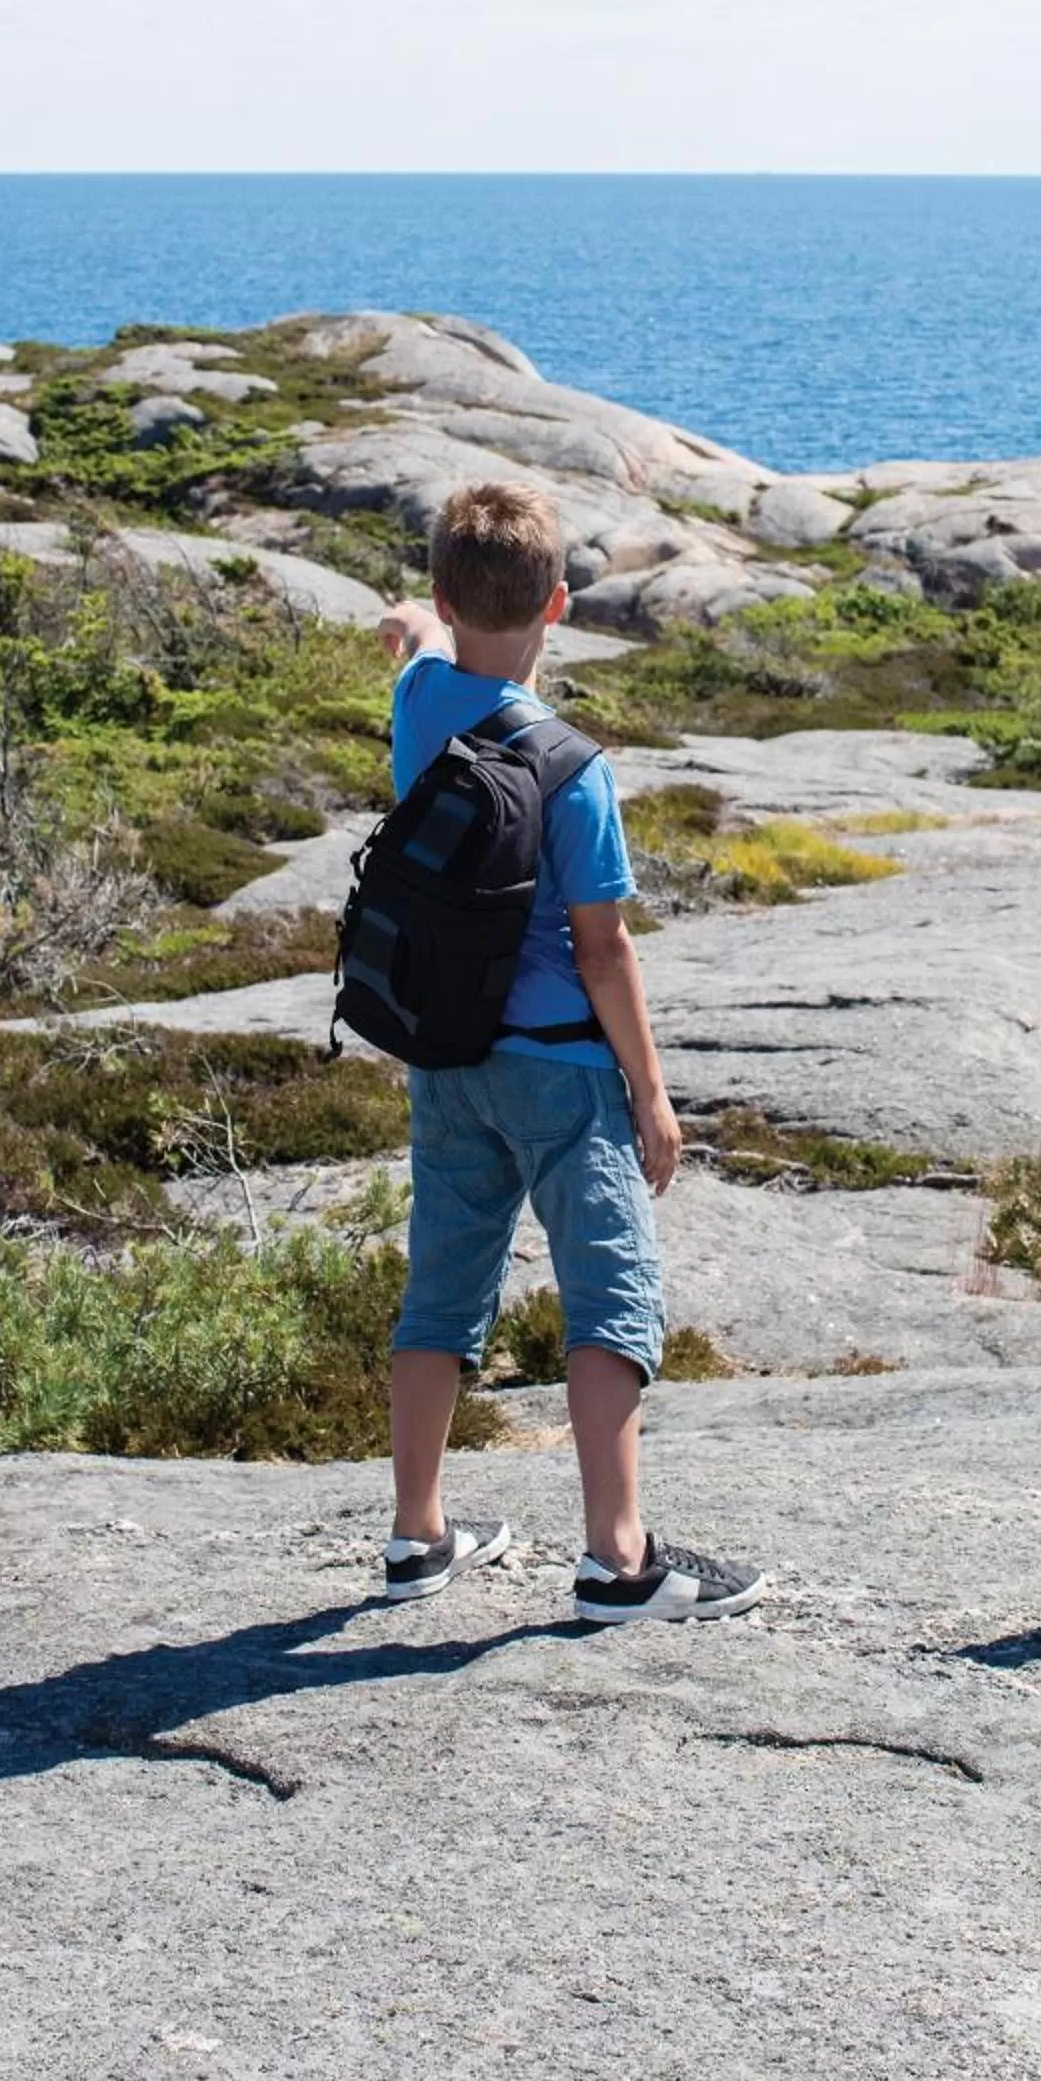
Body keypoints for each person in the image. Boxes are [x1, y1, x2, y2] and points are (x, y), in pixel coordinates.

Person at [375, 478, 765, 1626]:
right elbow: (603, 953)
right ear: (558, 606)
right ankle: (616, 1559)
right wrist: (651, 1096)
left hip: (445, 1059)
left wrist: (415, 620)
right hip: (560, 1071)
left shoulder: (413, 701)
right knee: (609, 1296)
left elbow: (417, 641)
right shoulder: (574, 769)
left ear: (446, 599)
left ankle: (417, 1536)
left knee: (440, 1293)